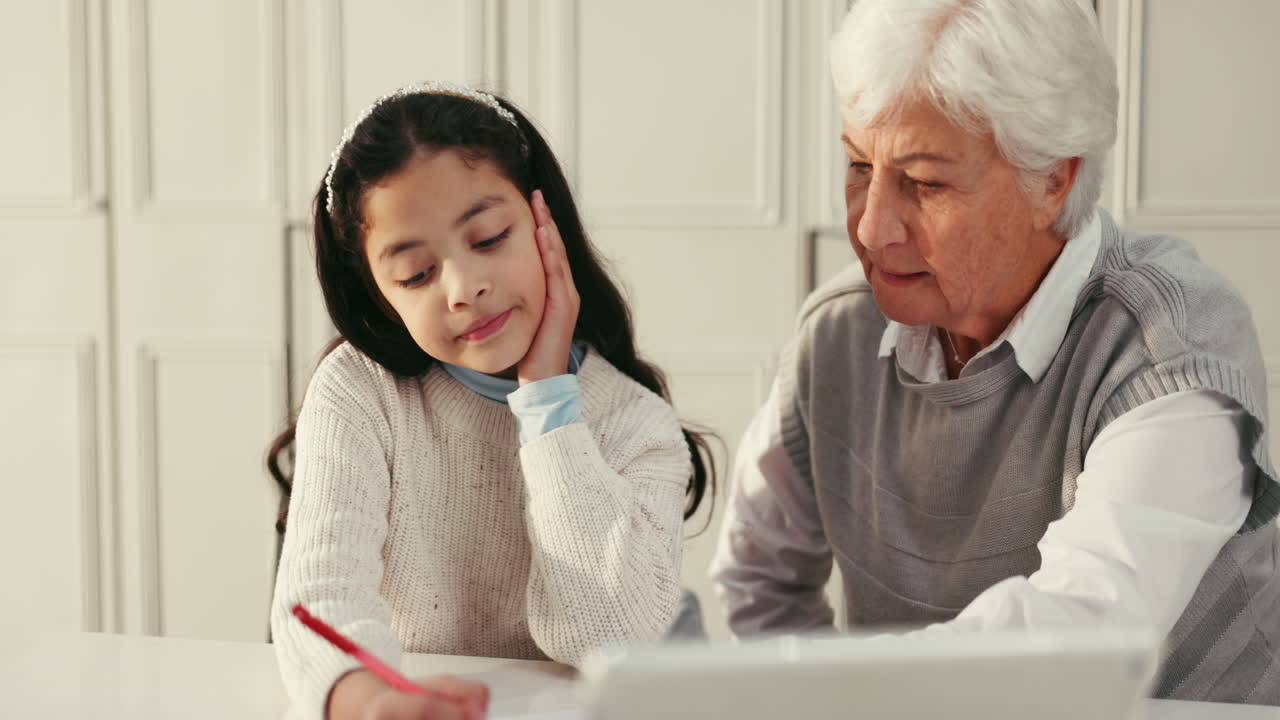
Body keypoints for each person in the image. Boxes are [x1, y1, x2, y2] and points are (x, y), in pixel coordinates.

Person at [710, 0, 1280, 704]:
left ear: (1052, 181)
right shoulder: (838, 332)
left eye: (925, 182)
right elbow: (760, 580)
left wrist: (848, 692)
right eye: (858, 164)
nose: (871, 227)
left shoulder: (1170, 342)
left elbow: (1081, 635)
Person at [267, 81, 714, 719]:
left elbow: (612, 638)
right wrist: (372, 704)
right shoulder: (360, 391)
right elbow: (319, 596)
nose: (463, 288)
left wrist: (549, 403)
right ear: (380, 298)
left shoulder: (634, 422)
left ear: (544, 223)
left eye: (488, 238)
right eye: (417, 274)